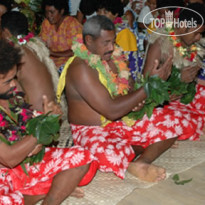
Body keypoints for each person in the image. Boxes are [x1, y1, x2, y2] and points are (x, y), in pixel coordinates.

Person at [56, 15, 200, 183]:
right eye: (106, 42)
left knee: (174, 121)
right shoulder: (80, 68)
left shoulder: (114, 56)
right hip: (93, 129)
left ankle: (141, 162)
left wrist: (135, 104)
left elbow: (129, 89)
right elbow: (111, 111)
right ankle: (143, 147)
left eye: (113, 41)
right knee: (109, 155)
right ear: (88, 40)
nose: (112, 47)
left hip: (122, 120)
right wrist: (150, 86)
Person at [0, 39, 97, 205]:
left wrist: (48, 120)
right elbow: (9, 159)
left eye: (15, 77)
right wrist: (40, 128)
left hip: (27, 164)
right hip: (4, 174)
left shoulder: (14, 92)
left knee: (84, 158)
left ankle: (49, 198)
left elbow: (36, 135)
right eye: (8, 81)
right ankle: (42, 191)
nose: (14, 83)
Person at [143, 3, 205, 140]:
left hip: (180, 97)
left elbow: (191, 82)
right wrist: (179, 79)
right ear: (183, 27)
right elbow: (145, 87)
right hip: (158, 102)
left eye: (201, 34)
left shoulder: (190, 44)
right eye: (196, 33)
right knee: (183, 123)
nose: (198, 38)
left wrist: (193, 77)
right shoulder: (160, 45)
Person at [1, 11, 67, 115]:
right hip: (51, 110)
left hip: (39, 118)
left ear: (6, 32)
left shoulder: (14, 53)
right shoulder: (33, 46)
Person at [40, 0, 82, 72]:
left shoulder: (72, 24)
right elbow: (42, 43)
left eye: (52, 12)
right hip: (51, 63)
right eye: (46, 12)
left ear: (61, 11)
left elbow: (76, 51)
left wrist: (52, 53)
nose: (48, 15)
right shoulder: (46, 23)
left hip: (70, 64)